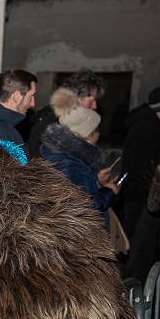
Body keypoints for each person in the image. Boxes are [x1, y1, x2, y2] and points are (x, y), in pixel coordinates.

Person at [40, 87, 119, 230]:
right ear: (88, 135)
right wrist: (108, 192)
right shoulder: (69, 163)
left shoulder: (68, 156)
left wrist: (97, 180)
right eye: (96, 130)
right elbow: (84, 207)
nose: (99, 135)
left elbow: (79, 189)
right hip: (80, 239)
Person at [119, 86, 160, 238]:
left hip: (145, 189)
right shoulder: (146, 128)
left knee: (142, 234)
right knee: (134, 233)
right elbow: (137, 163)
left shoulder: (158, 125)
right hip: (139, 190)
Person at [27, 70, 105, 157]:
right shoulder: (51, 121)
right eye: (92, 99)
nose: (95, 106)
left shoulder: (68, 120)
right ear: (79, 96)